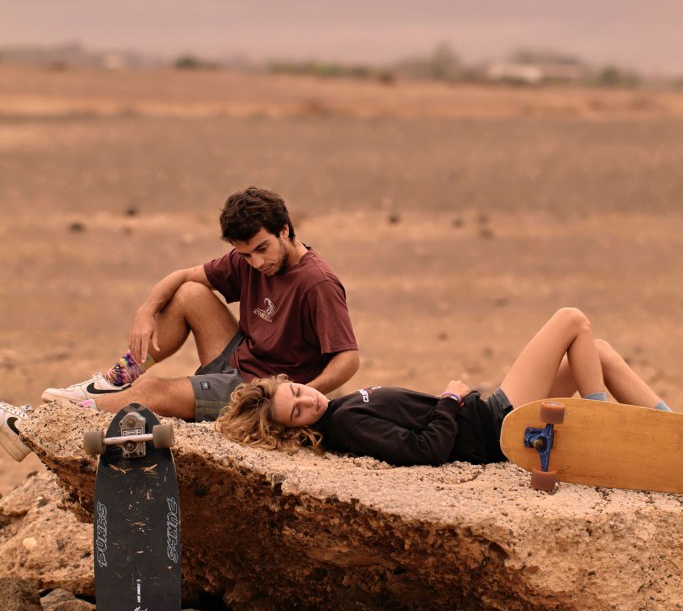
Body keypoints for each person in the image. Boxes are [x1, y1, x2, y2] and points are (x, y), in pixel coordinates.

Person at [0, 187, 359, 462]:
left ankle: (36, 426)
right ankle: (115, 381)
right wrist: (145, 311)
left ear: (285, 230)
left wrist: (301, 393)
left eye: (262, 249)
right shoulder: (248, 260)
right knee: (190, 293)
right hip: (240, 359)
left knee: (153, 392)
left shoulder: (317, 284)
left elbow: (348, 359)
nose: (255, 262)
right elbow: (184, 275)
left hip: (257, 389)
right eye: (246, 254)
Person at [216, 308, 673, 466]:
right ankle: (605, 424)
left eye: (297, 391)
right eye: (297, 411)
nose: (308, 399)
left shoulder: (339, 409)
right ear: (294, 431)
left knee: (601, 351)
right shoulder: (348, 424)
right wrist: (451, 399)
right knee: (572, 320)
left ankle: (671, 428)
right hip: (493, 424)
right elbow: (424, 450)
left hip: (488, 417)